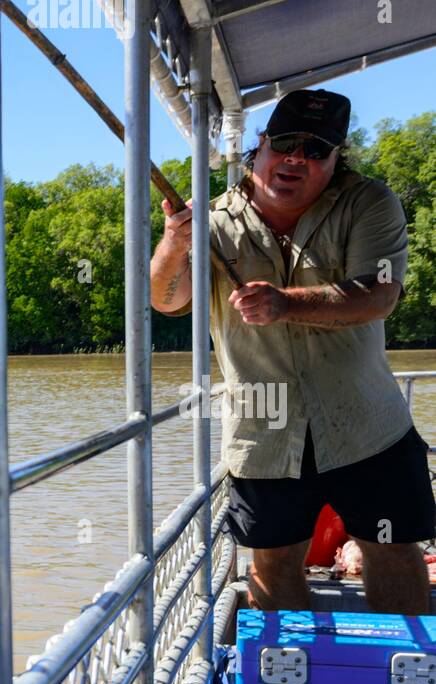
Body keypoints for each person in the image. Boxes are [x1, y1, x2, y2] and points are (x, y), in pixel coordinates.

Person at [150, 89, 433, 613]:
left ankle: (407, 664)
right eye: (284, 144)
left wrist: (285, 303)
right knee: (273, 561)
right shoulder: (211, 220)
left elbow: (379, 295)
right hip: (264, 430)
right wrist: (174, 243)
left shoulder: (370, 202)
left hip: (367, 425)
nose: (296, 159)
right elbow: (167, 300)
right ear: (260, 145)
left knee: (393, 550)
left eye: (316, 150)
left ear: (337, 158)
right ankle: (289, 666)